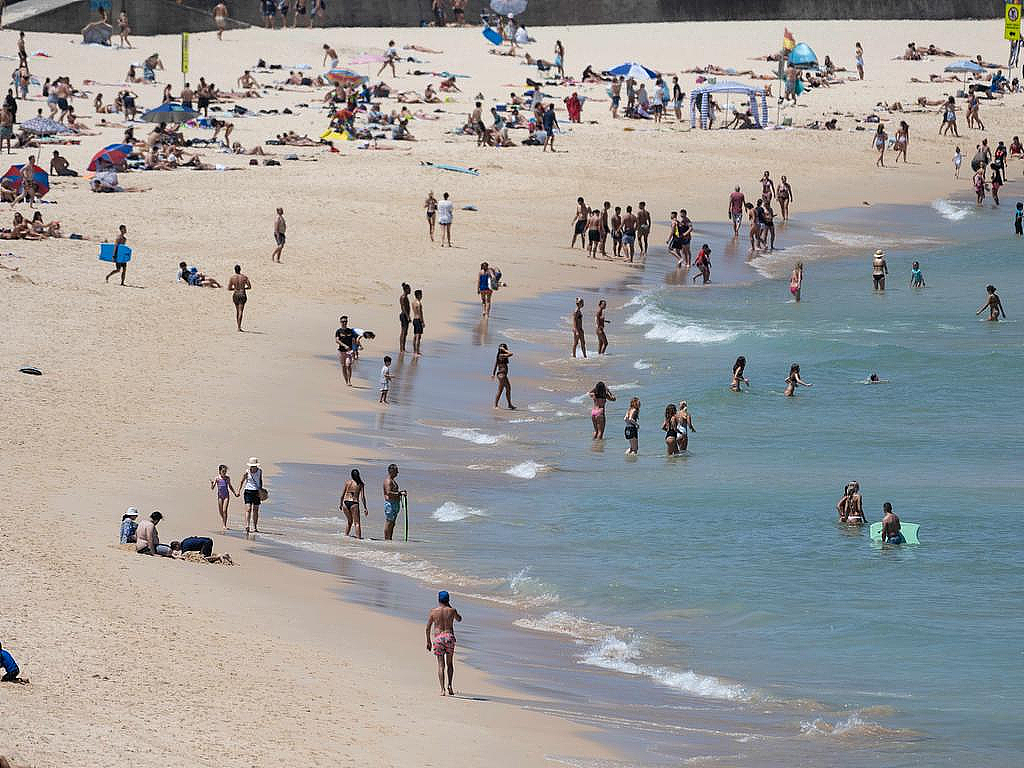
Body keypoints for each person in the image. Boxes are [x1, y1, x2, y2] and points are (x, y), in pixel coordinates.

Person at [426, 590, 462, 696]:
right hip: (449, 637)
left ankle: (442, 689)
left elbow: (428, 628)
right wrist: (450, 607)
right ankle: (450, 685)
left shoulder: (433, 611)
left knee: (441, 665)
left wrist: (428, 641)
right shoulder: (452, 610)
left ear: (438, 599)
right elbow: (459, 619)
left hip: (438, 638)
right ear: (448, 600)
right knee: (450, 663)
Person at [341, 469, 368, 538]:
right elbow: (362, 497)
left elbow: (343, 494)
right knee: (357, 523)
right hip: (354, 503)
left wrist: (341, 503)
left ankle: (345, 536)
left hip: (345, 502)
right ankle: (358, 539)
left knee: (349, 521)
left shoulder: (347, 482)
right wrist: (365, 508)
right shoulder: (360, 484)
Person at [210, 464, 238, 530]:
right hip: (220, 496)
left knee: (224, 510)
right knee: (220, 511)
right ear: (219, 471)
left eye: (225, 471)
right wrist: (212, 484)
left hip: (226, 496)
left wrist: (234, 493)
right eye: (223, 471)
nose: (224, 473)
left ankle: (224, 525)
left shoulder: (227, 478)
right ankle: (224, 519)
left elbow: (230, 486)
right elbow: (212, 488)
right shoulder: (217, 479)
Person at [240, 458, 264, 534]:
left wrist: (261, 490)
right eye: (252, 466)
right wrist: (238, 491)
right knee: (248, 509)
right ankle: (247, 525)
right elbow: (242, 481)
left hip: (257, 492)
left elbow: (260, 480)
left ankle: (255, 527)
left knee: (256, 510)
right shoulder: (247, 472)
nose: (253, 467)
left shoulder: (260, 471)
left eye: (254, 466)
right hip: (248, 491)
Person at [382, 463, 405, 541]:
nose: (397, 473)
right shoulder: (388, 481)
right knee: (389, 522)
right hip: (390, 504)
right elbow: (388, 493)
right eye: (396, 471)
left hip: (395, 504)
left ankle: (390, 539)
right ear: (391, 471)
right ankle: (386, 539)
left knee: (393, 523)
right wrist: (399, 493)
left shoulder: (393, 481)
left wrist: (400, 492)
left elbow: (394, 491)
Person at [228, 264, 251, 331]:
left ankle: (238, 325)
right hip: (242, 294)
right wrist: (243, 288)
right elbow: (249, 287)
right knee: (241, 311)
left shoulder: (232, 278)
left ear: (234, 270)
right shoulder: (245, 277)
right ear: (240, 269)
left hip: (236, 294)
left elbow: (229, 288)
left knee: (237, 311)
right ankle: (239, 327)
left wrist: (235, 289)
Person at [335, 315, 357, 384]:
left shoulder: (350, 331)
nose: (344, 323)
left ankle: (349, 380)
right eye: (343, 321)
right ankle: (346, 380)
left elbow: (354, 341)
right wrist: (344, 345)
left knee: (348, 365)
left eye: (345, 321)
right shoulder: (338, 331)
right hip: (341, 351)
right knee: (343, 366)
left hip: (349, 351)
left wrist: (354, 351)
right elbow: (337, 340)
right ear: (340, 322)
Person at [492, 343, 514, 409]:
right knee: (501, 390)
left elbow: (495, 365)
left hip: (503, 375)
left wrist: (493, 374)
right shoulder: (501, 355)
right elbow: (511, 354)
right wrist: (504, 350)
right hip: (502, 375)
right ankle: (495, 405)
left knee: (507, 389)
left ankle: (509, 404)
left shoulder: (499, 355)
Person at [399, 282, 412, 351]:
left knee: (405, 332)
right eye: (409, 289)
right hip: (404, 315)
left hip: (405, 315)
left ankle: (403, 347)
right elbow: (403, 308)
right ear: (406, 289)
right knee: (403, 332)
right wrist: (408, 316)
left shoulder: (405, 297)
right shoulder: (403, 297)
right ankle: (401, 348)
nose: (410, 290)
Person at [411, 289, 425, 355]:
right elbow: (420, 313)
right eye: (421, 294)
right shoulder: (418, 303)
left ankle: (414, 351)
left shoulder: (413, 302)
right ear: (419, 295)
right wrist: (422, 322)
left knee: (415, 335)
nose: (422, 296)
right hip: (418, 320)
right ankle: (417, 352)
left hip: (414, 319)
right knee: (418, 337)